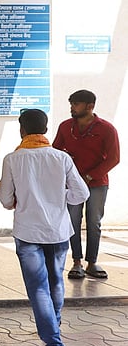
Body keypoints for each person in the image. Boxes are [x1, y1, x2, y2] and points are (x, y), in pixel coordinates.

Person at [0, 108, 89, 346]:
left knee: (38, 288)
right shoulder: (62, 158)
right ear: (46, 129)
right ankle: (53, 332)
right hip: (59, 231)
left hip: (28, 233)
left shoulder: (13, 159)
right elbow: (81, 193)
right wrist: (60, 202)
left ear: (22, 130)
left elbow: (5, 200)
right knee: (55, 282)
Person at [52, 89, 120, 280]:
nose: (72, 108)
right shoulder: (65, 127)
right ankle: (76, 262)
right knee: (72, 222)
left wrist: (89, 177)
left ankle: (92, 262)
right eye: (71, 104)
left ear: (90, 106)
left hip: (97, 183)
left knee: (94, 222)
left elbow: (114, 158)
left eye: (76, 104)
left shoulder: (106, 129)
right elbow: (55, 152)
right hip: (71, 184)